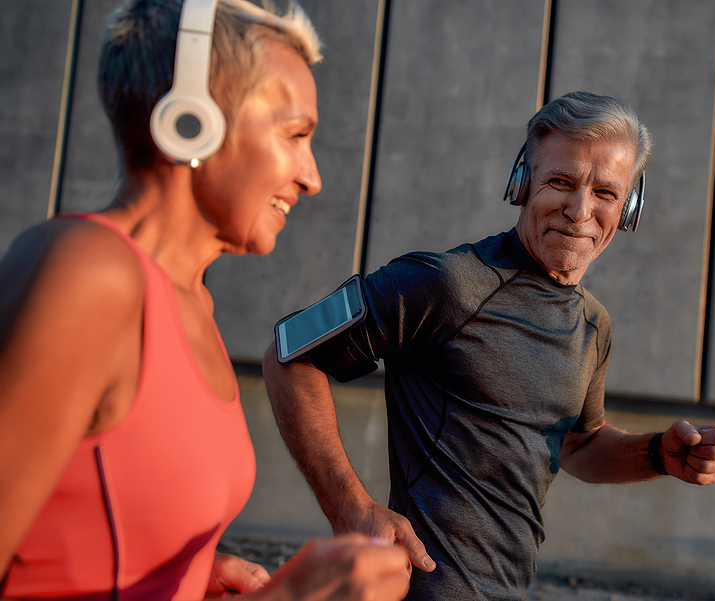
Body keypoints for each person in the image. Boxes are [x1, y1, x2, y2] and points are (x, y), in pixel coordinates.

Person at [0, 0, 410, 599]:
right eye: (295, 134)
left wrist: (185, 574)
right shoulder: (87, 271)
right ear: (193, 120)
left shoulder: (192, 304)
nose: (312, 176)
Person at [262, 91, 715, 601]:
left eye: (606, 193)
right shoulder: (445, 284)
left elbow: (577, 445)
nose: (580, 210)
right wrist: (349, 506)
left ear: (630, 206)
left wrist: (657, 455)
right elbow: (292, 354)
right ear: (521, 183)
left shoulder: (594, 326)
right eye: (561, 182)